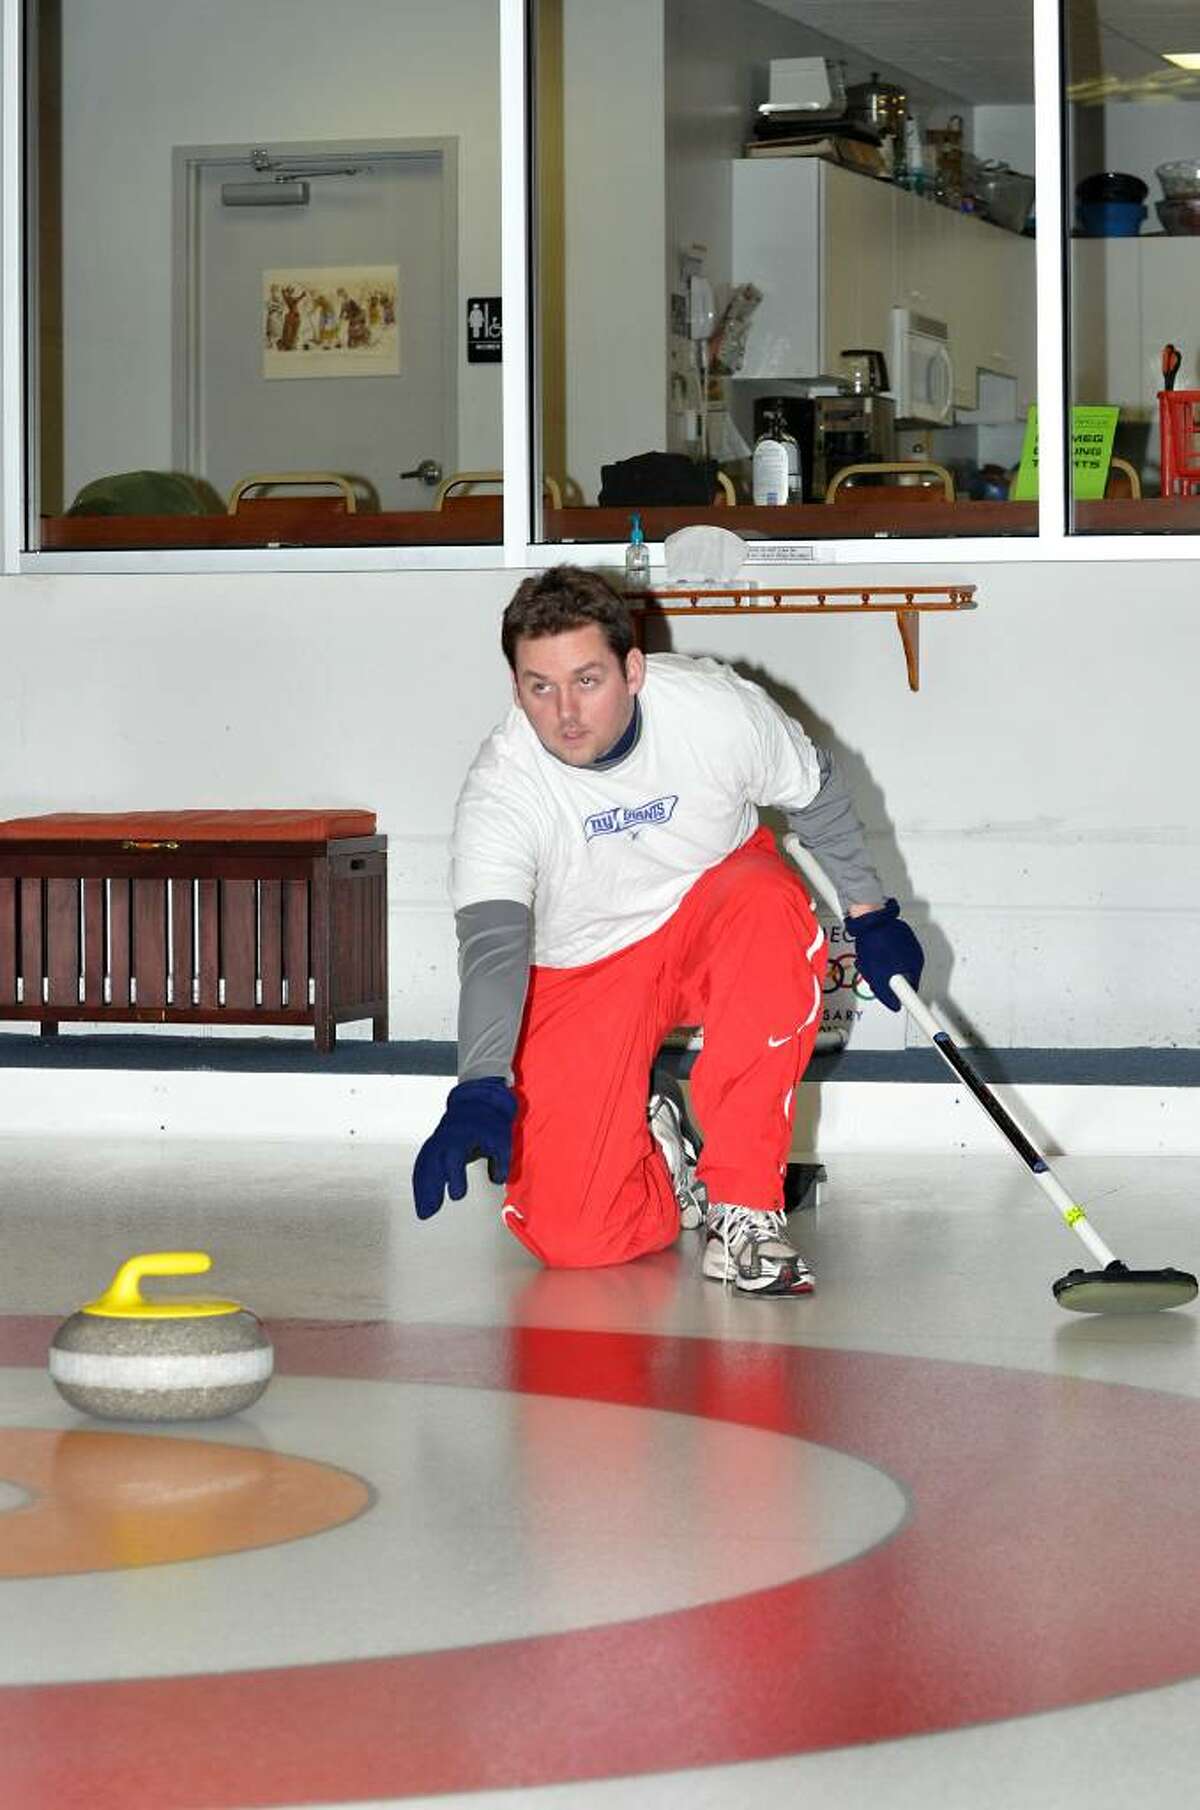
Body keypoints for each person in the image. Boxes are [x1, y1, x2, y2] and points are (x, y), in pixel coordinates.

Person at [413, 565, 923, 1297]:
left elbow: (814, 795)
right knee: (573, 1239)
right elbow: (494, 951)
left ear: (633, 668)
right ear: (515, 687)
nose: (565, 713)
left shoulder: (714, 712)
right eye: (540, 686)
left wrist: (870, 915)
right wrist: (480, 1084)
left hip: (712, 917)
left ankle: (745, 1206)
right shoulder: (503, 789)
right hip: (583, 965)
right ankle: (658, 1154)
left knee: (769, 905)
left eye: (587, 680)